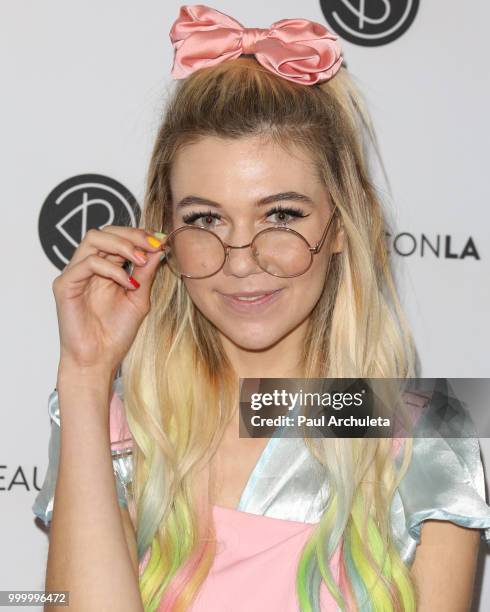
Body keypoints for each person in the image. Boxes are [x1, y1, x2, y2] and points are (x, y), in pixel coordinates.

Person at [32, 4, 490, 611]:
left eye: (281, 215)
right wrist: (85, 376)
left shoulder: (420, 436)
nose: (241, 258)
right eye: (205, 219)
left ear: (343, 226)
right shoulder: (118, 421)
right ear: (163, 234)